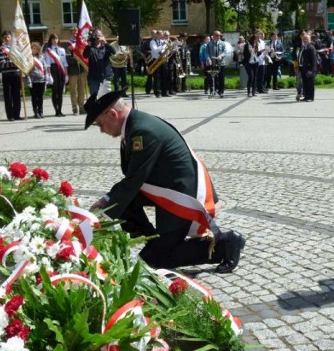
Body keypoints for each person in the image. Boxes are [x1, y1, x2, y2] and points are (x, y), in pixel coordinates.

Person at [84, 86, 245, 272]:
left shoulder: (142, 131)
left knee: (158, 261)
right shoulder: (133, 125)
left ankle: (225, 246)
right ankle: (153, 241)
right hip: (166, 187)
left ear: (112, 113)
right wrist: (106, 200)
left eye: (99, 123)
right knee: (123, 205)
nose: (101, 130)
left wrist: (101, 216)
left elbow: (134, 180)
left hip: (183, 193)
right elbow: (132, 178)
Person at [0, 30, 23, 121]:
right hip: (7, 75)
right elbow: (2, 63)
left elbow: (20, 60)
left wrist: (16, 62)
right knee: (8, 96)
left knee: (17, 94)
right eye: (5, 37)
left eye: (9, 37)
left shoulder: (15, 48)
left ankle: (17, 114)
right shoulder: (1, 49)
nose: (7, 39)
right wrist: (14, 62)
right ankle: (10, 115)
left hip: (16, 73)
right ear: (3, 39)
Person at [83, 29, 115, 96]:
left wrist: (105, 42)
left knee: (107, 99)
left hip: (106, 76)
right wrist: (89, 45)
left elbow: (113, 52)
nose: (96, 37)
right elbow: (85, 55)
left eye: (98, 35)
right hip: (94, 77)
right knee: (94, 99)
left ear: (102, 36)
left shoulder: (105, 47)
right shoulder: (90, 47)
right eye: (95, 35)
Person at [44, 33, 68, 117]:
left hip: (61, 71)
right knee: (55, 91)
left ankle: (60, 110)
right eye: (53, 39)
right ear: (50, 40)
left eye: (56, 39)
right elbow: (48, 63)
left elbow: (65, 63)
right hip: (53, 70)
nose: (55, 40)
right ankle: (56, 111)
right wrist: (49, 74)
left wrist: (66, 74)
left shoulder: (62, 50)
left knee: (60, 91)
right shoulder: (48, 50)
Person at [66, 27, 87, 115]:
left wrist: (82, 60)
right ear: (70, 33)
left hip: (82, 70)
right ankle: (75, 108)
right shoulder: (68, 45)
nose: (75, 34)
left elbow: (85, 56)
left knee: (81, 90)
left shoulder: (82, 44)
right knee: (73, 91)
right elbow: (68, 58)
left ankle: (82, 107)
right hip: (73, 71)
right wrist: (77, 59)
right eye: (73, 33)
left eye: (76, 33)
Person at [26, 42, 49, 118]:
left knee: (40, 97)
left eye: (36, 49)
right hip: (33, 80)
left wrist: (46, 79)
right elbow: (27, 70)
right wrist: (28, 80)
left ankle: (41, 111)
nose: (35, 50)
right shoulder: (29, 58)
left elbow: (45, 68)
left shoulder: (41, 57)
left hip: (41, 80)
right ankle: (35, 112)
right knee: (34, 97)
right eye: (33, 49)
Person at [206, 31, 226, 98]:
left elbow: (225, 51)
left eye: (219, 35)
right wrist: (208, 59)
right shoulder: (209, 44)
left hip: (221, 63)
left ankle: (221, 92)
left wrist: (221, 56)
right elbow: (207, 53)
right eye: (217, 35)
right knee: (212, 78)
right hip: (213, 63)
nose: (218, 36)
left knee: (221, 78)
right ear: (213, 35)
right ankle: (212, 91)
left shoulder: (222, 43)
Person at [299, 32, 317, 101]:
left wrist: (311, 70)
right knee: (305, 83)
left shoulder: (311, 48)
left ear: (310, 40)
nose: (305, 40)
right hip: (304, 68)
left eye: (306, 39)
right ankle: (306, 96)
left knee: (310, 84)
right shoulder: (304, 47)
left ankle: (311, 97)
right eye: (304, 39)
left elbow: (313, 60)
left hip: (309, 69)